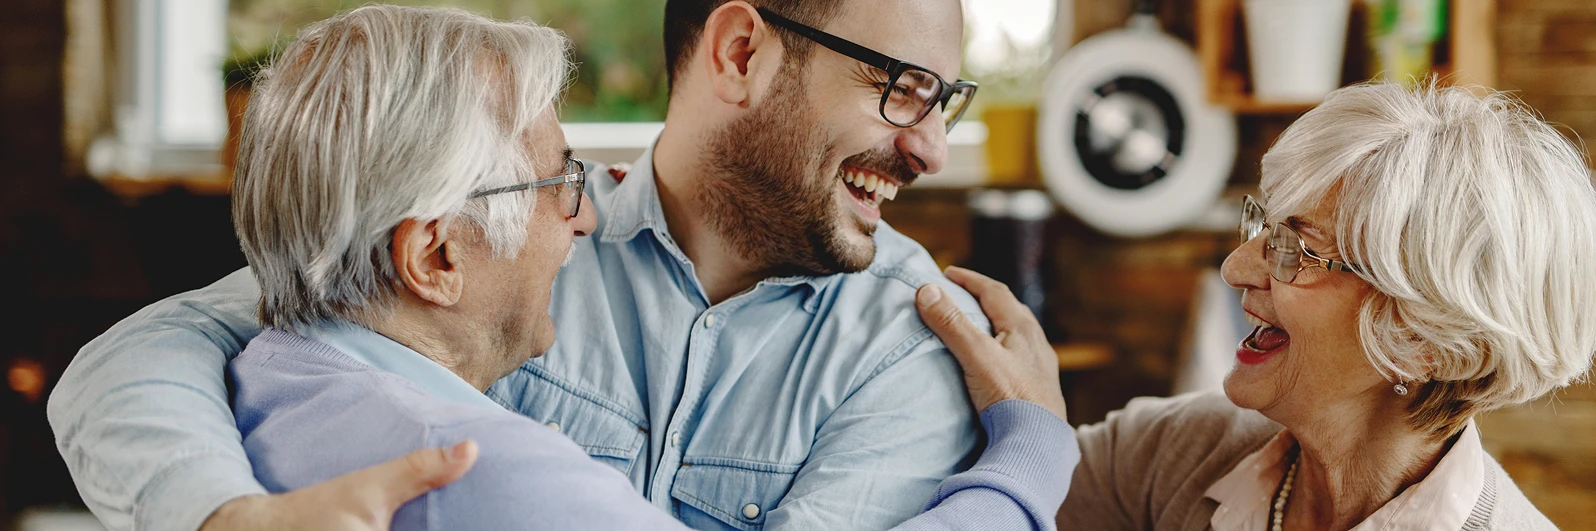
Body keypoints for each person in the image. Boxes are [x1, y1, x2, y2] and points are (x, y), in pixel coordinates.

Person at [46, 0, 1076, 530]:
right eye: (902, 88)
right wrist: (230, 519)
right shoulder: (499, 243)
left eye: (946, 104)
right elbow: (140, 356)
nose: (931, 148)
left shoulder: (917, 343)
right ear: (741, 53)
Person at [926, 81, 1596, 530]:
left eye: (1295, 250)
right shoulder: (1176, 449)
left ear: (1427, 336)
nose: (1235, 268)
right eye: (1262, 226)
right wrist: (1029, 437)